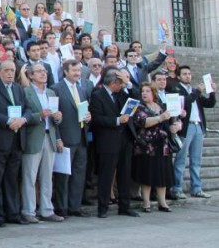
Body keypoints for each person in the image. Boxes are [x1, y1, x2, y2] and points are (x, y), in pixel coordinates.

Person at [0, 60, 33, 227]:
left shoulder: (18, 88)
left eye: (13, 70)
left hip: (17, 139)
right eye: (7, 70)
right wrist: (8, 121)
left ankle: (13, 213)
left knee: (12, 179)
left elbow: (27, 108)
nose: (10, 73)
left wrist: (22, 120)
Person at [89, 66, 139, 218]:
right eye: (120, 83)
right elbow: (96, 118)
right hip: (107, 141)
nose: (122, 86)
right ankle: (102, 208)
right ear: (112, 83)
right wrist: (116, 121)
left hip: (125, 139)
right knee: (106, 175)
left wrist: (128, 83)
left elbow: (135, 96)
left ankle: (125, 206)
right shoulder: (98, 95)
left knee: (125, 174)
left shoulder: (121, 94)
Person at [21, 63, 65, 223]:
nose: (43, 74)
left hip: (50, 136)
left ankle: (47, 210)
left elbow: (56, 120)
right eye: (38, 71)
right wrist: (38, 115)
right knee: (30, 176)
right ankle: (29, 211)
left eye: (44, 71)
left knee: (47, 176)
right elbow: (23, 115)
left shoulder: (51, 92)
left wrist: (58, 117)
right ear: (31, 75)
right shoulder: (26, 92)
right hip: (33, 137)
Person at [52, 60, 93, 218]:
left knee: (78, 175)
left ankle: (75, 207)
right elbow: (53, 118)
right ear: (65, 72)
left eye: (79, 71)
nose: (77, 73)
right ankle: (62, 207)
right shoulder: (56, 89)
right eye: (74, 71)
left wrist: (88, 117)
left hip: (81, 138)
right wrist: (58, 138)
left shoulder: (82, 90)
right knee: (63, 176)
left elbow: (83, 111)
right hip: (66, 138)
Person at [132, 82, 179, 212]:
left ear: (153, 93)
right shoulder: (139, 107)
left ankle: (162, 202)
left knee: (162, 174)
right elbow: (143, 122)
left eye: (147, 91)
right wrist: (160, 118)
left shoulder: (162, 106)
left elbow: (172, 121)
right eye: (143, 91)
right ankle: (146, 203)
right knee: (147, 175)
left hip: (163, 146)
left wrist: (175, 126)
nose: (144, 93)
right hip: (147, 146)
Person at [172, 65, 217, 199]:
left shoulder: (193, 91)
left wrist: (212, 92)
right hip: (185, 127)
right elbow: (186, 102)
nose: (188, 76)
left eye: (189, 74)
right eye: (184, 74)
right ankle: (177, 188)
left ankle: (196, 188)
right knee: (181, 159)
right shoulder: (176, 89)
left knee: (196, 159)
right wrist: (197, 91)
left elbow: (209, 103)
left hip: (198, 126)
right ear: (179, 76)